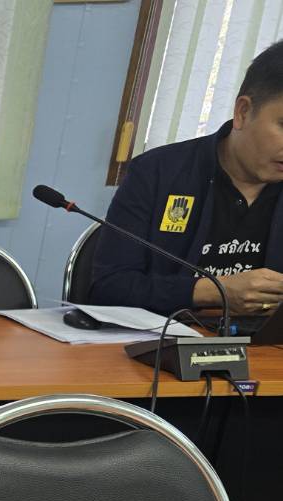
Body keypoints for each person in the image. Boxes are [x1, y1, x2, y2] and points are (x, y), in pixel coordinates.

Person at [89, 41, 283, 319]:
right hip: (161, 340)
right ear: (242, 112)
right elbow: (109, 288)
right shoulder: (157, 172)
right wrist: (212, 291)